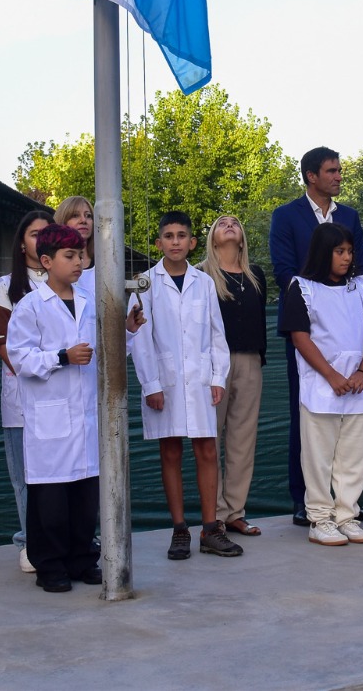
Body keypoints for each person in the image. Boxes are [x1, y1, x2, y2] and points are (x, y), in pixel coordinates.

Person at [6, 225, 115, 592]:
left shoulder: (90, 301)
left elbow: (108, 350)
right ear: (47, 261)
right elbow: (20, 358)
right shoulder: (30, 306)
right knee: (51, 501)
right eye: (70, 256)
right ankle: (49, 565)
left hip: (85, 415)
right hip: (50, 418)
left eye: (81, 255)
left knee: (85, 498)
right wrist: (61, 357)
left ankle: (82, 559)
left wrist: (128, 331)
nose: (79, 262)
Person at [129, 211, 242, 560]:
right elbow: (140, 338)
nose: (175, 241)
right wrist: (151, 384)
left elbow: (217, 334)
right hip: (165, 381)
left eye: (182, 236)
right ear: (158, 243)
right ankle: (180, 529)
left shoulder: (204, 282)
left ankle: (210, 529)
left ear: (192, 242)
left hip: (200, 381)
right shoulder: (144, 284)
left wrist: (218, 377)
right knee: (170, 451)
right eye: (169, 236)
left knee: (207, 450)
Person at [268, 146, 363, 525]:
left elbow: (362, 267)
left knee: (353, 420)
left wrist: (345, 301)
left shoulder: (350, 216)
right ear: (311, 176)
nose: (339, 176)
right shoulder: (285, 215)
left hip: (350, 329)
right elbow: (283, 270)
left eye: (339, 170)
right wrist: (318, 298)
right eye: (332, 171)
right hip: (307, 327)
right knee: (308, 413)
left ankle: (347, 504)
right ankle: (306, 502)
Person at [279, 222, 363, 546]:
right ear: (324, 252)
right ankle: (320, 519)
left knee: (353, 458)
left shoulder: (361, 287)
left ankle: (347, 516)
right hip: (321, 388)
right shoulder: (302, 287)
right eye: (340, 251)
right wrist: (331, 375)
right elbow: (300, 337)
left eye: (350, 251)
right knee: (318, 458)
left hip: (357, 388)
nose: (347, 257)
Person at [0, 209, 53, 574]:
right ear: (22, 243)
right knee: (25, 476)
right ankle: (29, 542)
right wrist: (35, 373)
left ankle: (66, 538)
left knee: (62, 472)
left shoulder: (68, 280)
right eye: (34, 234)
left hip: (62, 398)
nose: (41, 240)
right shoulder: (8, 285)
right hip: (22, 400)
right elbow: (1, 343)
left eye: (47, 233)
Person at [196, 214, 268, 537]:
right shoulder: (200, 275)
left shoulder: (256, 275)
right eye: (222, 223)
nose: (229, 225)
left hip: (250, 360)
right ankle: (213, 516)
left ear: (242, 238)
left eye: (235, 223)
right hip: (213, 365)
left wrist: (259, 356)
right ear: (212, 237)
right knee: (210, 438)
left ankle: (235, 512)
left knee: (242, 440)